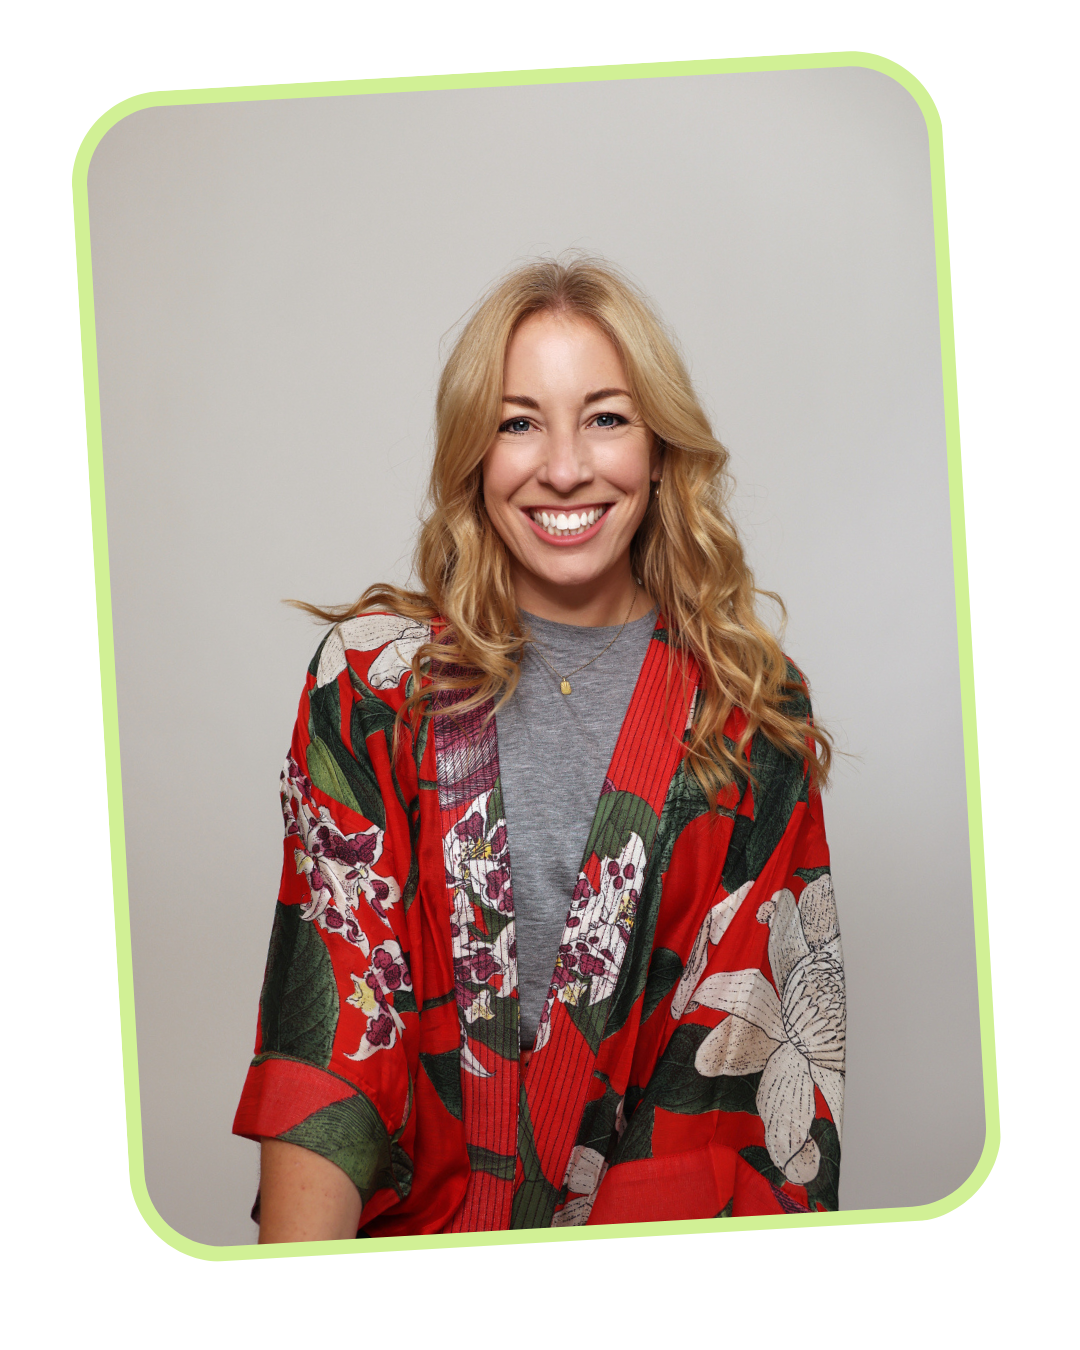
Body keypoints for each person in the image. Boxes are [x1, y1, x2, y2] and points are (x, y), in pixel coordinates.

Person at [233, 256, 845, 1242]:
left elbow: (736, 1086)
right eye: (519, 422)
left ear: (659, 447)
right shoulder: (374, 685)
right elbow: (335, 1041)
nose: (564, 468)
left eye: (605, 418)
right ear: (475, 453)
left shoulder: (747, 714)